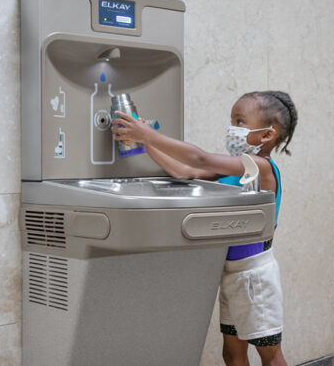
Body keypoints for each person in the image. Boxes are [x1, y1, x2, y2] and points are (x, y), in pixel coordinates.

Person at [112, 91, 297, 366]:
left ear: (266, 135)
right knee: (232, 354)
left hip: (255, 278)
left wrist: (148, 135)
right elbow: (186, 172)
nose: (232, 128)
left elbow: (199, 159)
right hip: (232, 276)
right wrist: (145, 144)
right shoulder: (237, 169)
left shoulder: (261, 166)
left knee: (269, 355)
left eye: (240, 121)